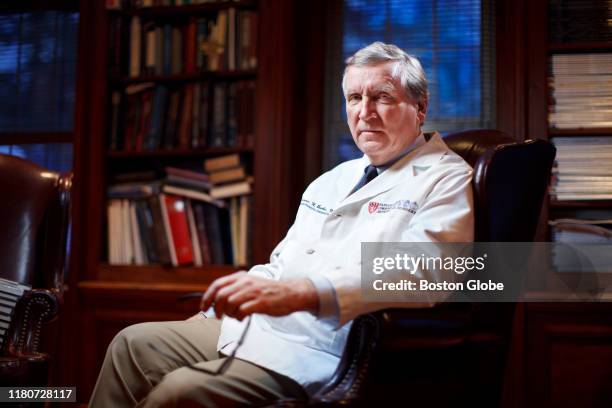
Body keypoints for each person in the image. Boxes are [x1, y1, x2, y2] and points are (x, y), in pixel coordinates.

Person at [89, 41, 474, 407]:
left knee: (179, 391)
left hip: (324, 347)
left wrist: (305, 292)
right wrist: (219, 310)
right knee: (131, 344)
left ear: (420, 108)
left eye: (383, 97)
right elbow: (283, 264)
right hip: (264, 327)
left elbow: (430, 269)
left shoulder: (445, 176)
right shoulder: (333, 179)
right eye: (354, 98)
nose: (364, 112)